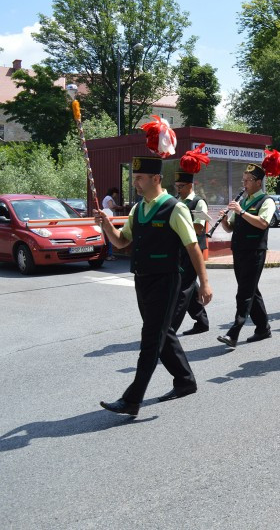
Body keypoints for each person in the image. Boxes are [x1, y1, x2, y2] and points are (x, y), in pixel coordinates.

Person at [95, 155, 212, 416]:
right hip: (142, 279)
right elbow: (121, 242)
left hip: (166, 280)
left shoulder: (175, 207)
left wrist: (204, 283)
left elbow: (193, 247)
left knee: (150, 339)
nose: (135, 182)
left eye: (139, 178)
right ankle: (185, 380)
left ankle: (132, 399)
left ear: (156, 179)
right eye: (134, 178)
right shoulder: (138, 209)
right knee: (162, 333)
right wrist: (105, 225)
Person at [216, 161, 277, 348]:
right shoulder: (243, 200)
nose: (244, 184)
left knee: (243, 293)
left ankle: (234, 331)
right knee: (251, 290)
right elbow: (230, 228)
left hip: (255, 252)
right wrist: (225, 218)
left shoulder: (266, 201)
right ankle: (263, 328)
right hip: (239, 251)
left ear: (258, 182)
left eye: (248, 180)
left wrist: (241, 212)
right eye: (243, 180)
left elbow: (263, 223)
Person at [171, 148, 211, 335]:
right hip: (179, 249)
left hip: (193, 249)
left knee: (183, 289)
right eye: (176, 186)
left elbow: (199, 227)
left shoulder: (199, 202)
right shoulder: (176, 202)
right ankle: (201, 321)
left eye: (181, 186)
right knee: (191, 287)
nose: (178, 189)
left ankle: (169, 329)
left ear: (190, 186)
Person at [101, 188, 120, 260]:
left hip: (108, 216)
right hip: (109, 216)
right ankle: (108, 254)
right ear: (114, 193)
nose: (116, 196)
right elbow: (111, 206)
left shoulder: (107, 198)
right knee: (109, 236)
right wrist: (119, 207)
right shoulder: (109, 198)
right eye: (116, 194)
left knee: (109, 236)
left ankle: (109, 254)